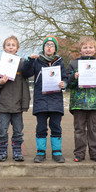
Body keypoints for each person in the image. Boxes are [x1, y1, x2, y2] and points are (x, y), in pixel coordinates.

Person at [21, 35, 67, 163]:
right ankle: (41, 152)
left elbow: (65, 78)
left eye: (52, 45)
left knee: (56, 127)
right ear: (43, 47)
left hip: (56, 101)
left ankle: (57, 152)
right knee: (41, 127)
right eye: (47, 45)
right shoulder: (36, 61)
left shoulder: (60, 62)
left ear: (55, 49)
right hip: (41, 101)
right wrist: (29, 60)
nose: (49, 47)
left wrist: (64, 84)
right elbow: (26, 73)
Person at [67, 36, 96, 162]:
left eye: (90, 47)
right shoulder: (73, 64)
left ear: (95, 50)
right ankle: (79, 154)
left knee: (94, 130)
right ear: (80, 50)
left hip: (95, 104)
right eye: (85, 47)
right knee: (79, 130)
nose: (87, 50)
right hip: (78, 103)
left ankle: (95, 154)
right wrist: (73, 77)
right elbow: (67, 83)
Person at [0, 36, 30, 162]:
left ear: (17, 48)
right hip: (4, 104)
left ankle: (17, 150)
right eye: (8, 45)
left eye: (13, 45)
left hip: (18, 104)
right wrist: (0, 82)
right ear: (4, 47)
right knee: (2, 130)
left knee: (18, 130)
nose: (10, 47)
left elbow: (29, 73)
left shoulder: (23, 64)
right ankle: (2, 151)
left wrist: (31, 61)